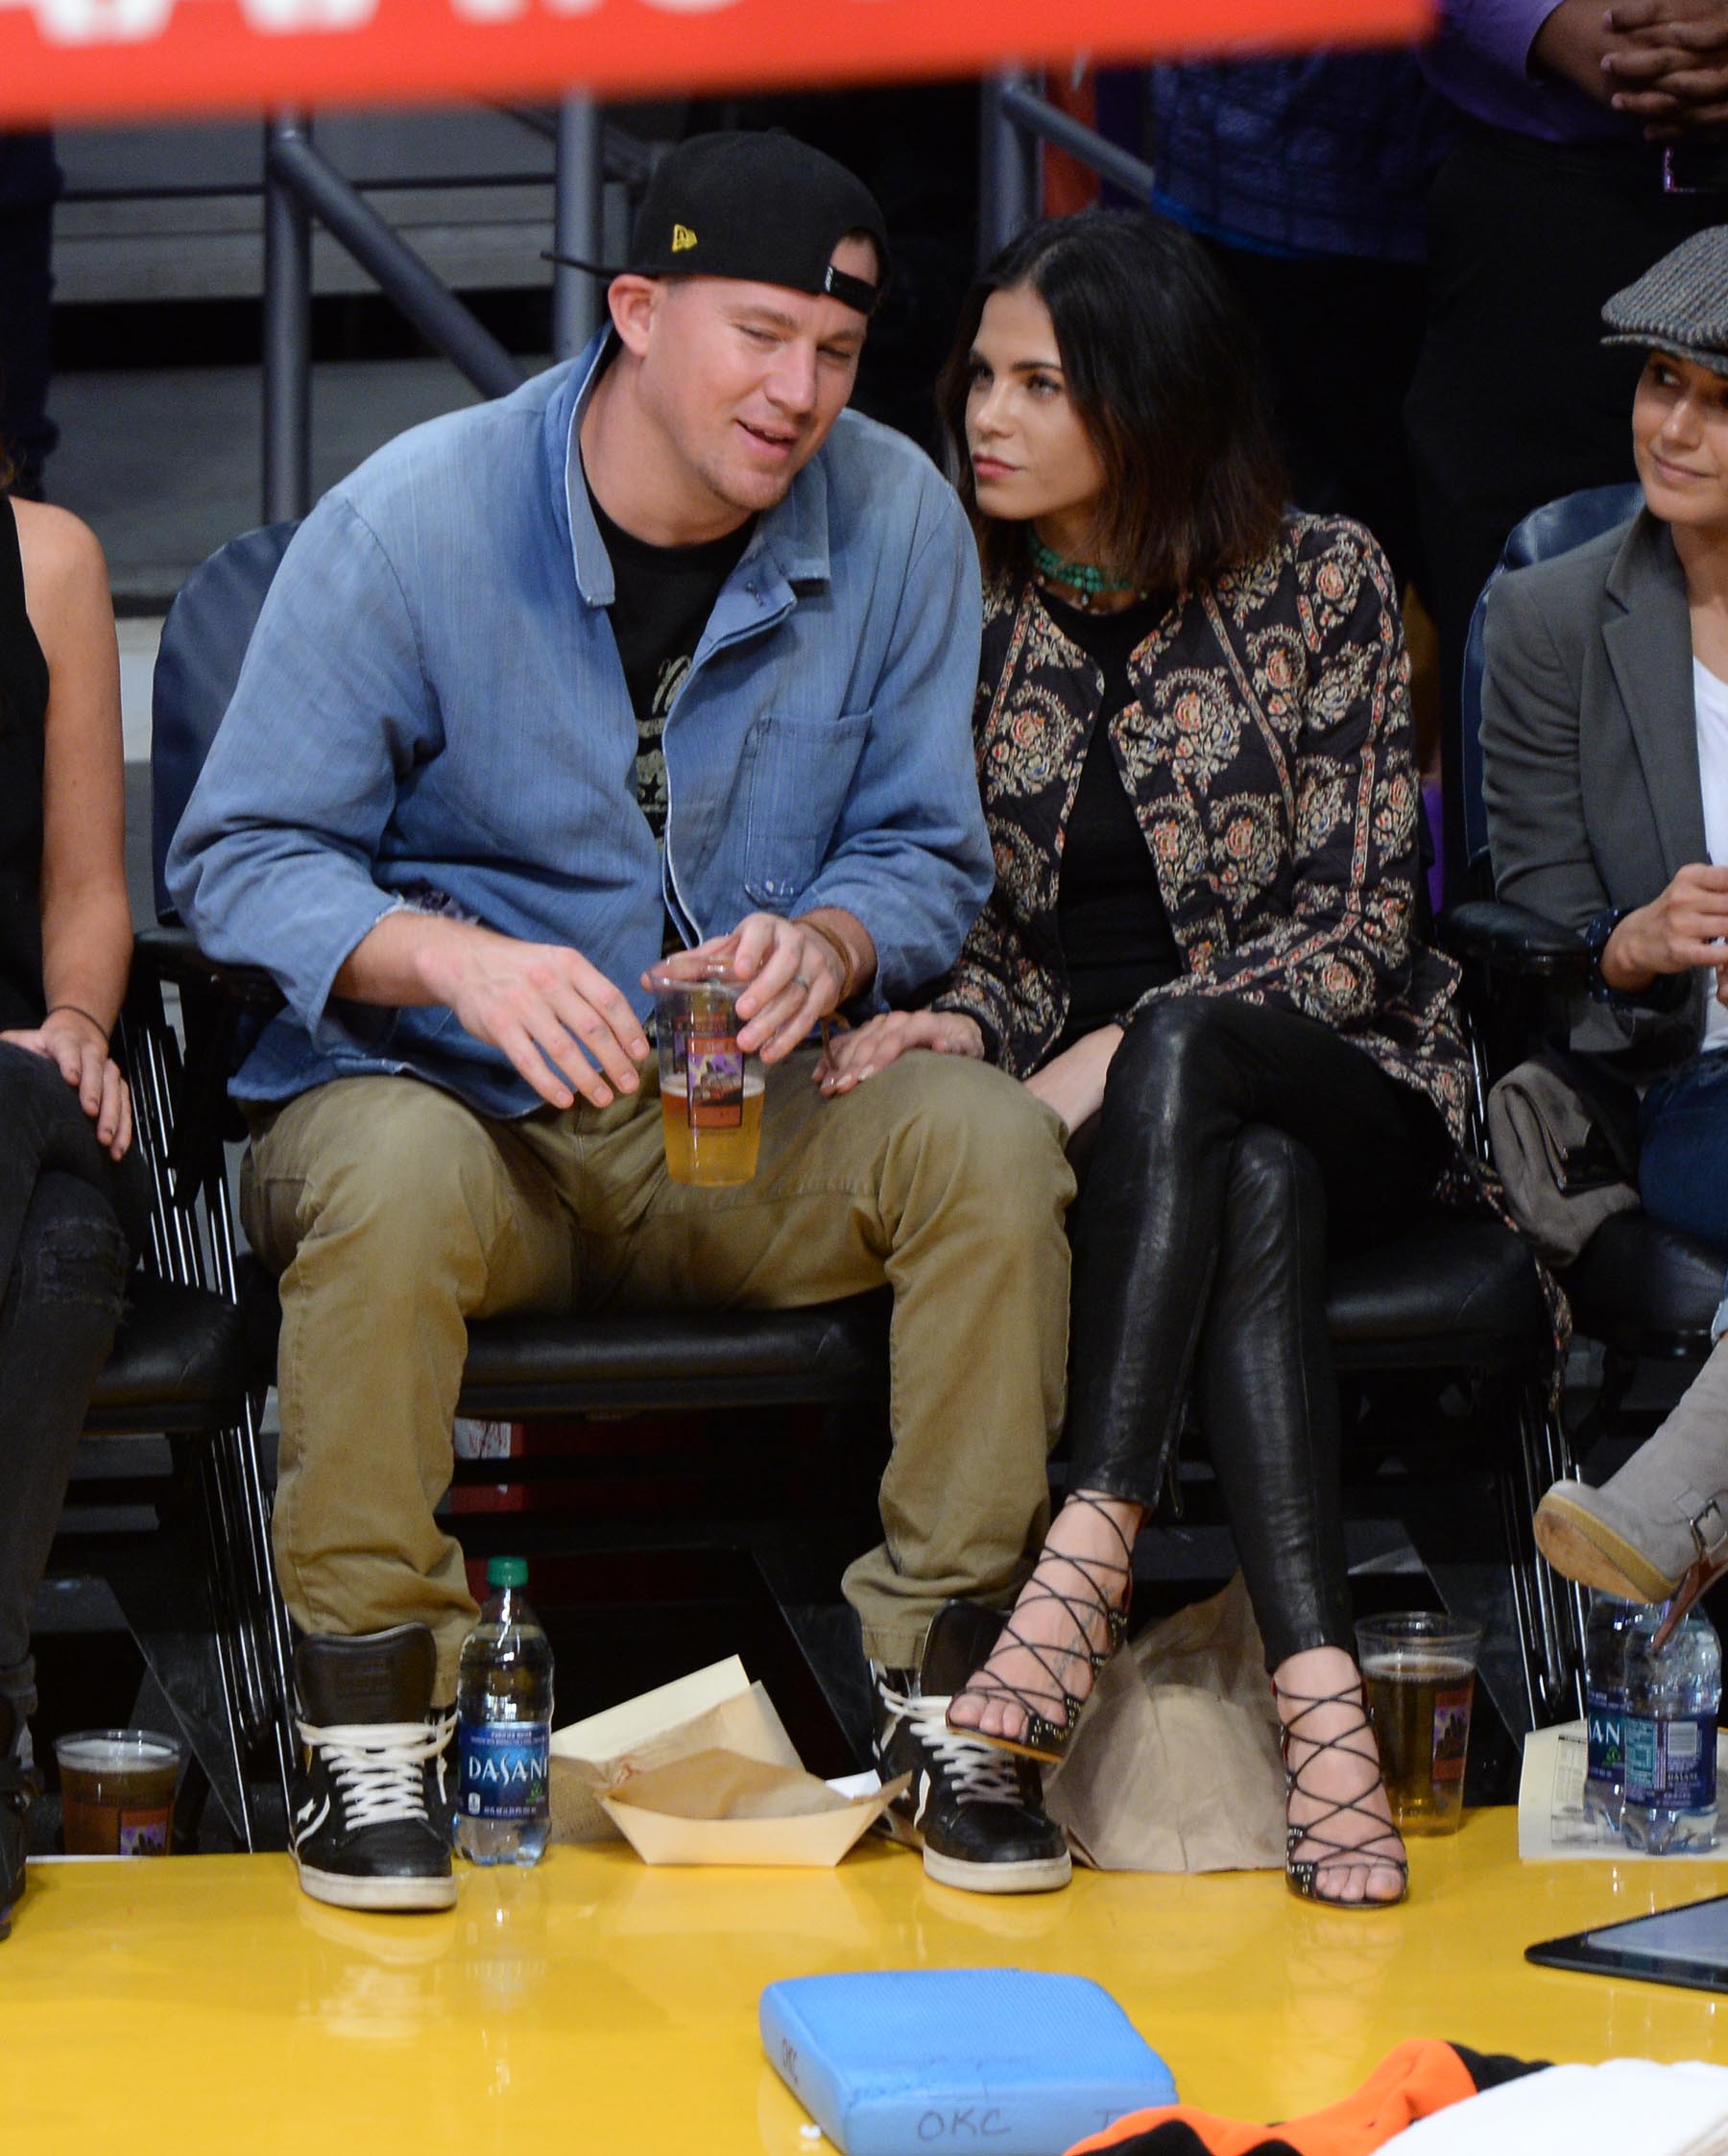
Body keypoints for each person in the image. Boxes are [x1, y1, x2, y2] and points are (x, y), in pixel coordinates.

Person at [167, 132, 1077, 1913]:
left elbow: (921, 853)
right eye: (755, 335)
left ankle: (951, 1696)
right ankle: (373, 1734)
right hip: (460, 1121)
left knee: (988, 1139)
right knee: (386, 1177)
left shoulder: (893, 513)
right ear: (638, 314)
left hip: (745, 1124)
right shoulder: (415, 518)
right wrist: (452, 959)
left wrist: (834, 932)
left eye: (833, 349)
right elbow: (237, 857)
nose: (798, 390)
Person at [818, 210, 1473, 1908]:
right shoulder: (966, 606)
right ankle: (1327, 1729)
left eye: (1042, 382)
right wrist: (953, 1020)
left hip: (1356, 1084)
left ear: (1151, 397)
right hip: (1164, 1144)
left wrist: (1123, 1040)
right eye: (980, 374)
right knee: (1226, 1163)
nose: (988, 415)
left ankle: (1077, 1567)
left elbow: (1361, 932)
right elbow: (992, 935)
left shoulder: (1322, 574)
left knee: (1202, 1057)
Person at [1480, 227, 1728, 1600]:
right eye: (1660, 382)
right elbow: (1529, 928)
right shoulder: (1549, 621)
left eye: (1721, 400)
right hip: (1679, 1085)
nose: (1675, 426)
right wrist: (1628, 942)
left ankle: (1667, 1508)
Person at [0, 453, 137, 1935]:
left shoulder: (46, 558)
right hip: (28, 1193)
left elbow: (88, 886)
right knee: (59, 1262)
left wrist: (83, 1027)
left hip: (28, 1075)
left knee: (27, 1136)